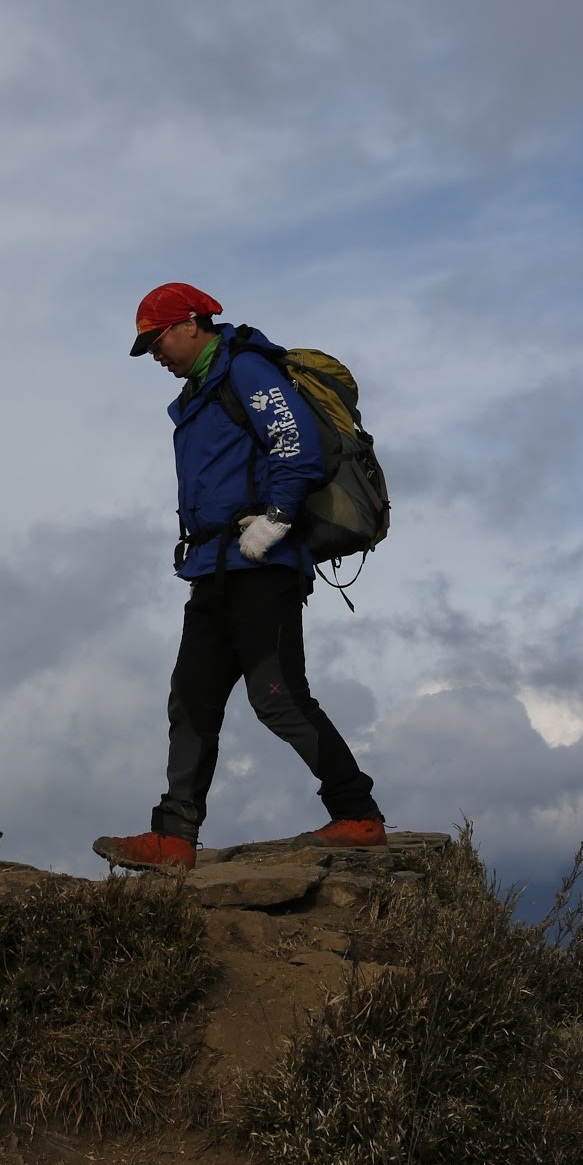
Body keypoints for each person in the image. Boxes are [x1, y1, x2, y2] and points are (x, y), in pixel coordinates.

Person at [95, 282, 386, 872]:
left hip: (263, 563)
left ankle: (358, 816)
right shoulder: (204, 389)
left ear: (191, 325)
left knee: (277, 696)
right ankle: (174, 838)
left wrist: (277, 519)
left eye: (157, 339)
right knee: (192, 698)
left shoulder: (247, 371)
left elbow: (295, 443)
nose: (154, 353)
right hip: (214, 567)